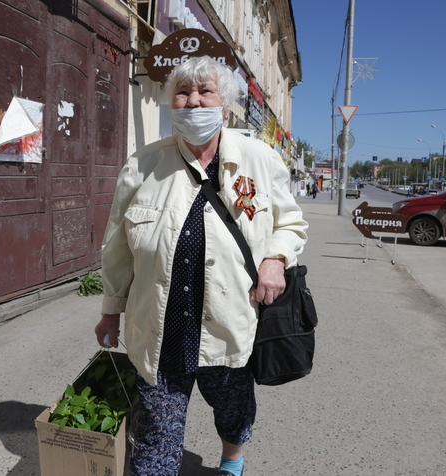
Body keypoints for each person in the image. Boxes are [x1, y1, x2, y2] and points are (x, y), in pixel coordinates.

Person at [94, 56, 308, 476]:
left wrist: (275, 259)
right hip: (160, 329)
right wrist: (110, 309)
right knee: (156, 434)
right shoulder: (142, 166)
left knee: (233, 411)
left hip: (230, 323)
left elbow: (291, 222)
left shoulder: (260, 159)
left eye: (205, 91)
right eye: (183, 92)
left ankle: (232, 462)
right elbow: (118, 245)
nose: (193, 102)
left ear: (224, 104)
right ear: (171, 103)